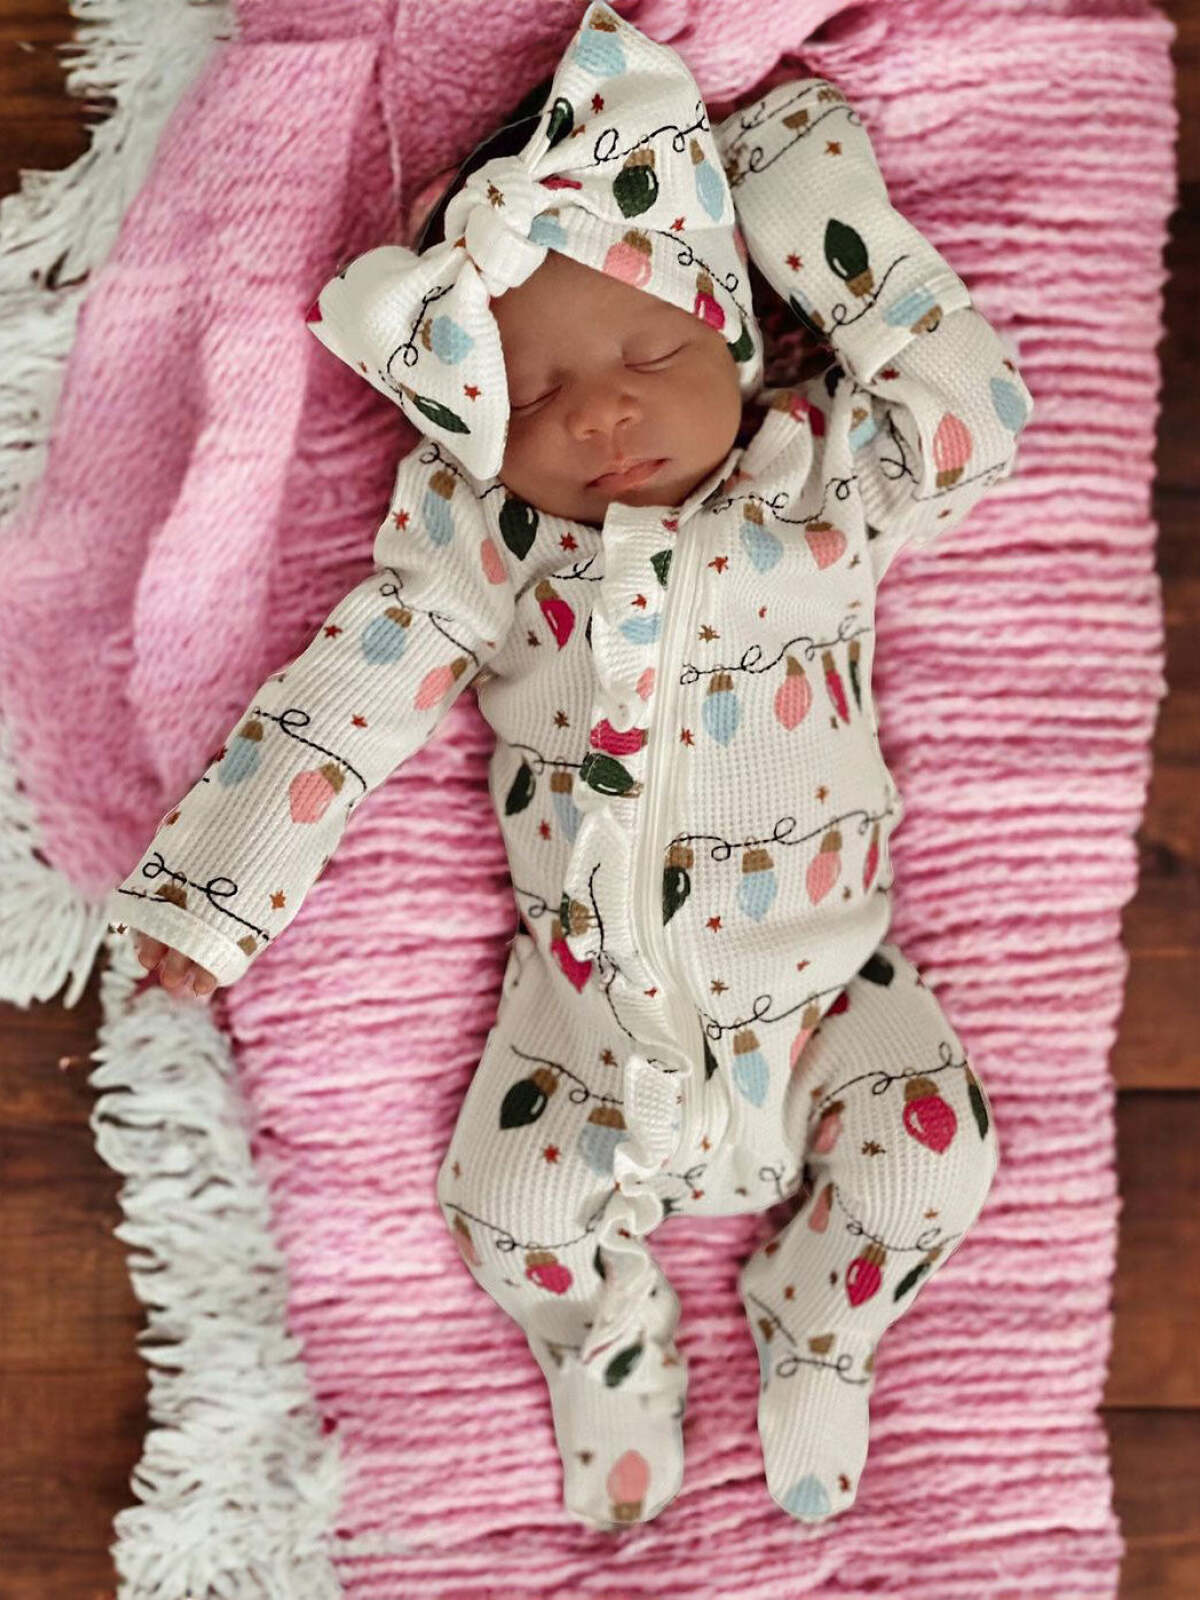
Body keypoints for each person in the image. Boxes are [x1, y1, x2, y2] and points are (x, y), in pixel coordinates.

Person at [111, 1, 1029, 1531]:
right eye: (533, 399)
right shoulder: (482, 546)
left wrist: (803, 192)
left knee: (935, 1159)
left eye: (651, 350)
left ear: (731, 342)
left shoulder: (816, 478)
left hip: (831, 997)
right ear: (470, 430)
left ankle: (823, 1317)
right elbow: (340, 703)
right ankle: (600, 1335)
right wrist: (215, 899)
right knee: (508, 1212)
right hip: (582, 1021)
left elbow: (975, 419)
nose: (599, 408)